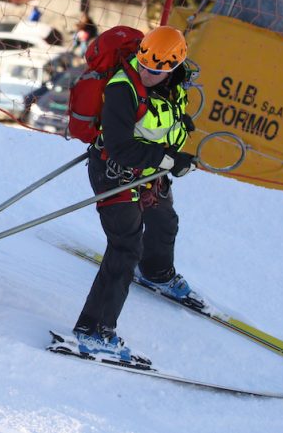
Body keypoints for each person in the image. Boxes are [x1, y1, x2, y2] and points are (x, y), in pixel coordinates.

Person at [71, 25, 200, 361]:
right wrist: (170, 160)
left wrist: (176, 147)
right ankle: (94, 330)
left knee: (165, 221)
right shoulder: (122, 88)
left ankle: (156, 273)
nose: (146, 73)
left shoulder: (175, 87)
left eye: (156, 71)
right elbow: (118, 147)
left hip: (147, 174)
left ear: (173, 68)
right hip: (113, 172)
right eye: (143, 65)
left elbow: (163, 124)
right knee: (126, 246)